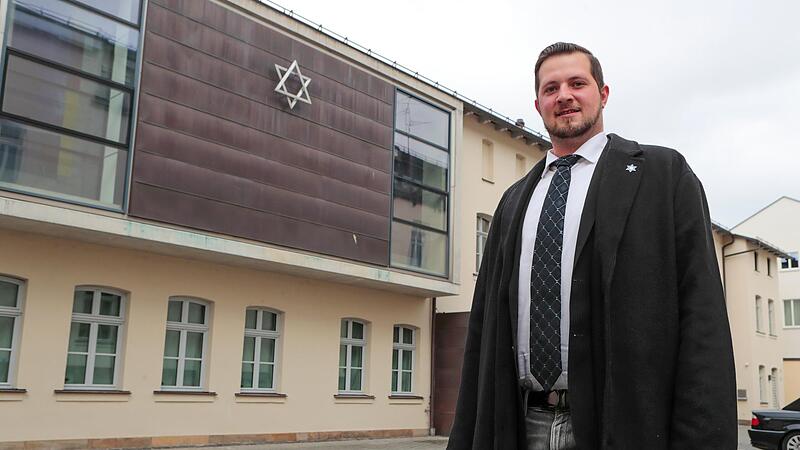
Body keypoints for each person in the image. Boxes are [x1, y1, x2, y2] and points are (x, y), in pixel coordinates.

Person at [446, 42, 737, 449]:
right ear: (538, 104)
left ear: (602, 94)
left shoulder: (662, 176)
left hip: (623, 423)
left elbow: (702, 317)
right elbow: (482, 333)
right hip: (520, 423)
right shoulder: (514, 202)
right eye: (551, 89)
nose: (563, 95)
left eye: (577, 83)